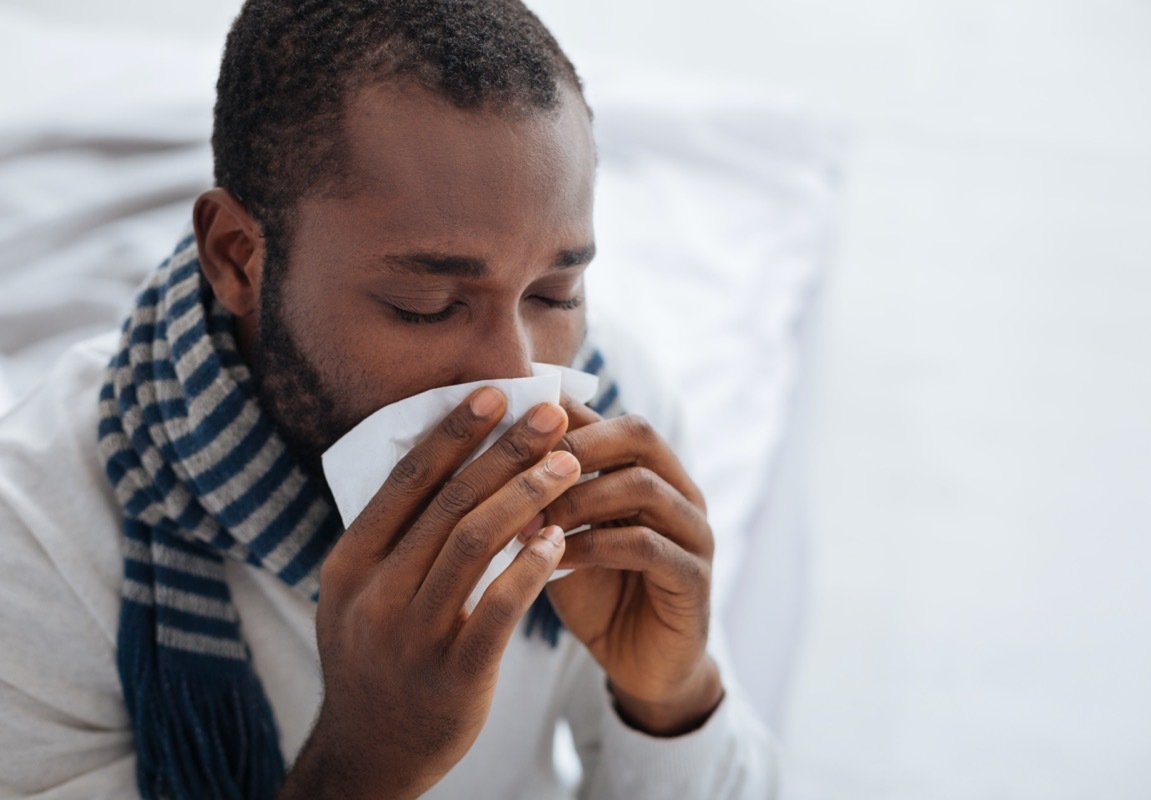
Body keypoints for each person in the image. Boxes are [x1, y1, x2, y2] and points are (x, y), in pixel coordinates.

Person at [0, 1, 778, 797]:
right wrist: (365, 762)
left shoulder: (618, 417)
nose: (513, 375)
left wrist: (671, 699)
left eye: (556, 292)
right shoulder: (32, 549)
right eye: (426, 304)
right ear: (237, 258)